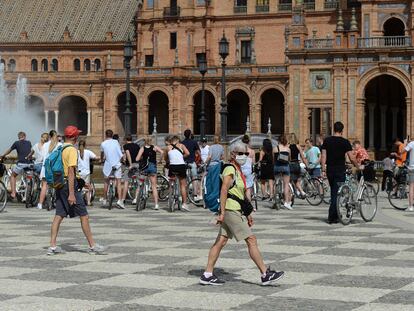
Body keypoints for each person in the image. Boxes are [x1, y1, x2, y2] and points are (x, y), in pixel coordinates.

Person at [199, 142, 284, 286]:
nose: (243, 156)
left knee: (221, 241)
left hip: (235, 209)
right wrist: (222, 212)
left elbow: (240, 195)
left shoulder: (238, 170)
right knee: (251, 239)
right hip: (230, 210)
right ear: (232, 154)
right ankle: (265, 274)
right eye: (240, 154)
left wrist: (248, 213)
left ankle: (207, 274)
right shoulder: (230, 169)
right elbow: (224, 191)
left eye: (245, 153)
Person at [47, 125, 105, 255]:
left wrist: (83, 184)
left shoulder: (61, 148)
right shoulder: (72, 150)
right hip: (69, 186)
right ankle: (92, 246)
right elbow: (71, 172)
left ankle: (52, 246)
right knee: (84, 216)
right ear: (74, 137)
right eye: (77, 134)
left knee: (58, 215)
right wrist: (72, 194)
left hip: (60, 184)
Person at [321, 121, 360, 224]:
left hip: (330, 169)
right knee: (336, 193)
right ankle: (332, 216)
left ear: (333, 129)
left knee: (334, 192)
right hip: (340, 170)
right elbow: (351, 157)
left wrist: (323, 169)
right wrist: (357, 166)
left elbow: (323, 156)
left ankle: (334, 215)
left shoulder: (327, 141)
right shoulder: (345, 142)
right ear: (342, 130)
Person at [0, 132, 32, 200]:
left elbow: (9, 150)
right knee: (28, 175)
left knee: (12, 175)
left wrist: (3, 155)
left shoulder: (16, 143)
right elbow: (29, 151)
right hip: (29, 163)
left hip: (21, 163)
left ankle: (13, 193)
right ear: (25, 136)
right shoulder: (29, 142)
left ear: (18, 137)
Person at [136, 136, 164, 210]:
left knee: (140, 183)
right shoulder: (154, 147)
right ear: (151, 141)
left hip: (144, 167)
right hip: (152, 166)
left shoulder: (142, 148)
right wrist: (160, 160)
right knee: (154, 186)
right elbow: (162, 152)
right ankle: (156, 205)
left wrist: (142, 158)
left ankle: (136, 198)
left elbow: (137, 158)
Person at [164, 135, 190, 211]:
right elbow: (188, 153)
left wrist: (168, 161)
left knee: (171, 182)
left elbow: (165, 157)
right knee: (182, 185)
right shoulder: (181, 145)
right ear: (178, 140)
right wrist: (182, 156)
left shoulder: (168, 147)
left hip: (172, 167)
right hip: (181, 166)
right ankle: (184, 204)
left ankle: (170, 198)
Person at [37, 130, 62, 210]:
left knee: (44, 185)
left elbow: (41, 157)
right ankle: (58, 203)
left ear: (50, 137)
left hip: (46, 167)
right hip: (55, 168)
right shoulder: (60, 145)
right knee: (58, 186)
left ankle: (40, 204)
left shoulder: (45, 145)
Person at [100, 129, 123, 208]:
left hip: (108, 164)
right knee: (118, 182)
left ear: (105, 135)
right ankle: (120, 200)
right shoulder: (116, 142)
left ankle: (105, 198)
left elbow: (102, 154)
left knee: (106, 181)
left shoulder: (103, 144)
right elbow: (119, 152)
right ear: (112, 135)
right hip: (117, 164)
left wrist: (101, 159)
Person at [273, 134, 292, 210]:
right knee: (286, 184)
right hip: (285, 167)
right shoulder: (288, 149)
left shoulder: (275, 148)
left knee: (275, 183)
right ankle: (286, 202)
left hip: (277, 167)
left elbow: (273, 159)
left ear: (278, 140)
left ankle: (275, 200)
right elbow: (289, 159)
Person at [182, 129, 202, 201]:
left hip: (184, 162)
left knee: (183, 180)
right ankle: (195, 195)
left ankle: (184, 195)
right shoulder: (194, 142)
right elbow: (198, 152)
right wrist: (202, 159)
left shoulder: (182, 143)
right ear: (190, 135)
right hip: (192, 162)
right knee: (194, 179)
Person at [121, 135, 140, 205]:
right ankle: (135, 198)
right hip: (137, 164)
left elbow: (127, 154)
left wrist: (130, 163)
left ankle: (123, 199)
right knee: (138, 183)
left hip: (129, 165)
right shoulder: (137, 146)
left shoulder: (125, 146)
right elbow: (139, 155)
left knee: (126, 182)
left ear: (126, 140)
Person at [77, 140, 97, 206]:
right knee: (87, 187)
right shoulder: (88, 152)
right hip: (86, 172)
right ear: (85, 145)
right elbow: (95, 157)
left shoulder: (76, 152)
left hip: (79, 172)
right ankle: (88, 202)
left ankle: (78, 201)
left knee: (78, 187)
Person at [288, 133, 307, 198]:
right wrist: (306, 165)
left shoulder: (287, 146)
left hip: (290, 164)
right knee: (296, 180)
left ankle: (292, 193)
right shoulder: (298, 146)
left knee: (289, 181)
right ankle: (301, 192)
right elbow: (303, 157)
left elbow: (287, 157)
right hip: (297, 164)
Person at [241, 135, 255, 201]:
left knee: (240, 187)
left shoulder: (240, 151)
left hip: (241, 170)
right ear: (249, 142)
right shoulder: (252, 151)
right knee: (248, 188)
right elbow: (253, 162)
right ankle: (248, 205)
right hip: (248, 171)